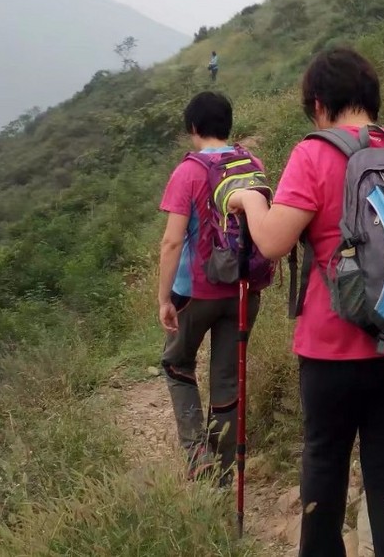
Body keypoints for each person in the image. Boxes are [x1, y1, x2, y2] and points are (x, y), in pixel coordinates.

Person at [228, 48, 384, 557]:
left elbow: (272, 241)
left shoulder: (314, 154)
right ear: (371, 98)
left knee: (324, 464)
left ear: (318, 105)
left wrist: (251, 199)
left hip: (332, 349)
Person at [157, 91, 264, 483]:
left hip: (196, 291)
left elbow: (171, 242)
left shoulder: (187, 172)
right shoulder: (251, 164)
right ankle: (223, 474)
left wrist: (164, 297)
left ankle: (196, 452)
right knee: (226, 378)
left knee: (176, 363)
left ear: (194, 128)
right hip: (242, 290)